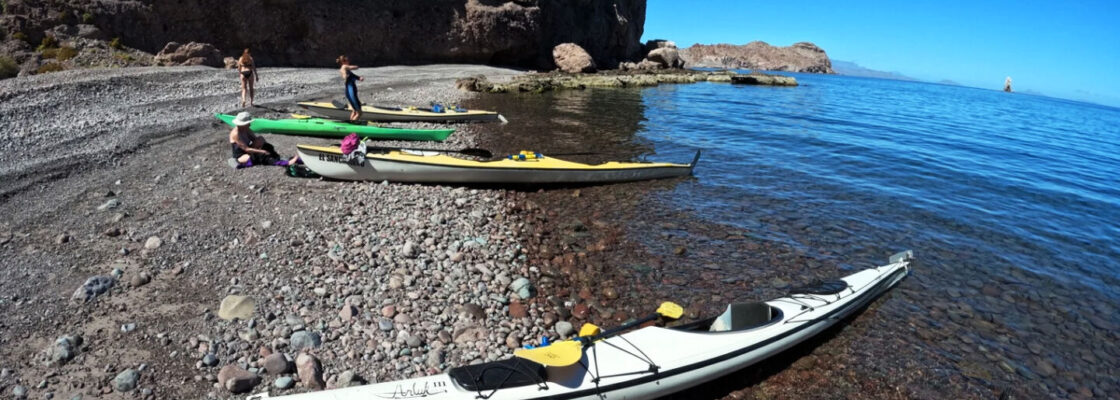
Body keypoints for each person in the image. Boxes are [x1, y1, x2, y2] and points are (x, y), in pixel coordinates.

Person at [227, 112, 298, 169]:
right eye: (248, 123)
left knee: (262, 140)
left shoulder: (246, 129)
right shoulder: (235, 134)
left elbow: (255, 139)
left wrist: (264, 147)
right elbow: (246, 149)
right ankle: (285, 163)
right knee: (260, 155)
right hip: (241, 155)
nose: (249, 124)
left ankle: (275, 157)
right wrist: (261, 151)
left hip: (248, 149)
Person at [336, 55, 364, 121]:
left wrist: (359, 78)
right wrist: (357, 66)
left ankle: (351, 122)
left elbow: (352, 75)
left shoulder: (345, 69)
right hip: (351, 94)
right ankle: (353, 127)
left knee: (354, 111)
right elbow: (355, 67)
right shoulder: (344, 67)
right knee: (359, 113)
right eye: (348, 61)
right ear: (344, 62)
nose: (349, 62)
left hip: (349, 93)